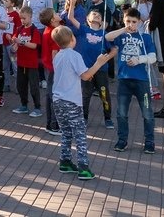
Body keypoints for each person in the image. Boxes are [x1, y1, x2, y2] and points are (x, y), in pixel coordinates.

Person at [50, 25, 116, 179]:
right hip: (71, 101)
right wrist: (98, 63)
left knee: (66, 132)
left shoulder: (58, 56)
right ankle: (83, 167)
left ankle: (65, 161)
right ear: (72, 39)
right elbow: (86, 75)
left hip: (58, 100)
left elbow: (78, 73)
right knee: (79, 134)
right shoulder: (74, 56)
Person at [105, 8, 157, 155]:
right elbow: (108, 37)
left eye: (134, 22)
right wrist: (123, 29)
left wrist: (139, 59)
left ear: (139, 22)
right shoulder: (121, 36)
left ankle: (149, 141)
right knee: (121, 113)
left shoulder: (145, 37)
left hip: (142, 81)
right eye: (128, 21)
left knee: (147, 113)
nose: (131, 24)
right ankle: (122, 140)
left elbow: (153, 57)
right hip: (124, 80)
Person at [12, 6, 42, 116]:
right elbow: (15, 40)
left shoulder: (35, 30)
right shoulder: (19, 29)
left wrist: (22, 42)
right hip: (21, 62)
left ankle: (37, 107)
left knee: (34, 86)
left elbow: (34, 46)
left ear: (30, 17)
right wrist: (15, 44)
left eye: (24, 18)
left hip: (32, 64)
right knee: (21, 85)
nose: (22, 20)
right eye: (21, 18)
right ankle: (23, 105)